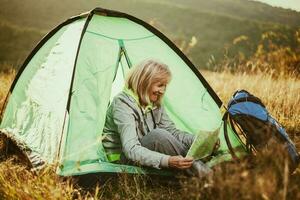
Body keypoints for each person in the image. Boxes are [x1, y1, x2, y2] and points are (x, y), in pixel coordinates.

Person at [103, 59, 211, 177]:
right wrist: (167, 160)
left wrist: (199, 141)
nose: (163, 90)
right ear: (145, 82)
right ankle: (207, 177)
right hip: (120, 164)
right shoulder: (122, 105)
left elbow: (172, 132)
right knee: (158, 137)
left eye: (165, 86)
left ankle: (200, 169)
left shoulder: (153, 102)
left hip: (144, 155)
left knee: (163, 136)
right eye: (160, 85)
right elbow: (131, 149)